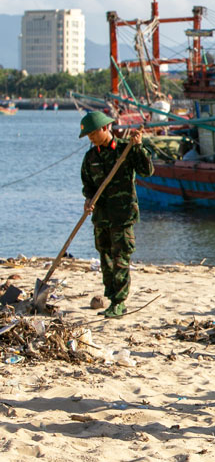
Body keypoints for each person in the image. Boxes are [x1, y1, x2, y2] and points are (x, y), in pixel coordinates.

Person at [79, 111, 154, 317]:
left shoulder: (125, 150)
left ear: (105, 128)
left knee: (120, 258)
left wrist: (138, 147)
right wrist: (88, 200)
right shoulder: (91, 157)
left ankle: (119, 302)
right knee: (105, 258)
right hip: (101, 216)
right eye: (89, 136)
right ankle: (111, 296)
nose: (91, 138)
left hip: (122, 215)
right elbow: (88, 184)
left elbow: (147, 170)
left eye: (93, 133)